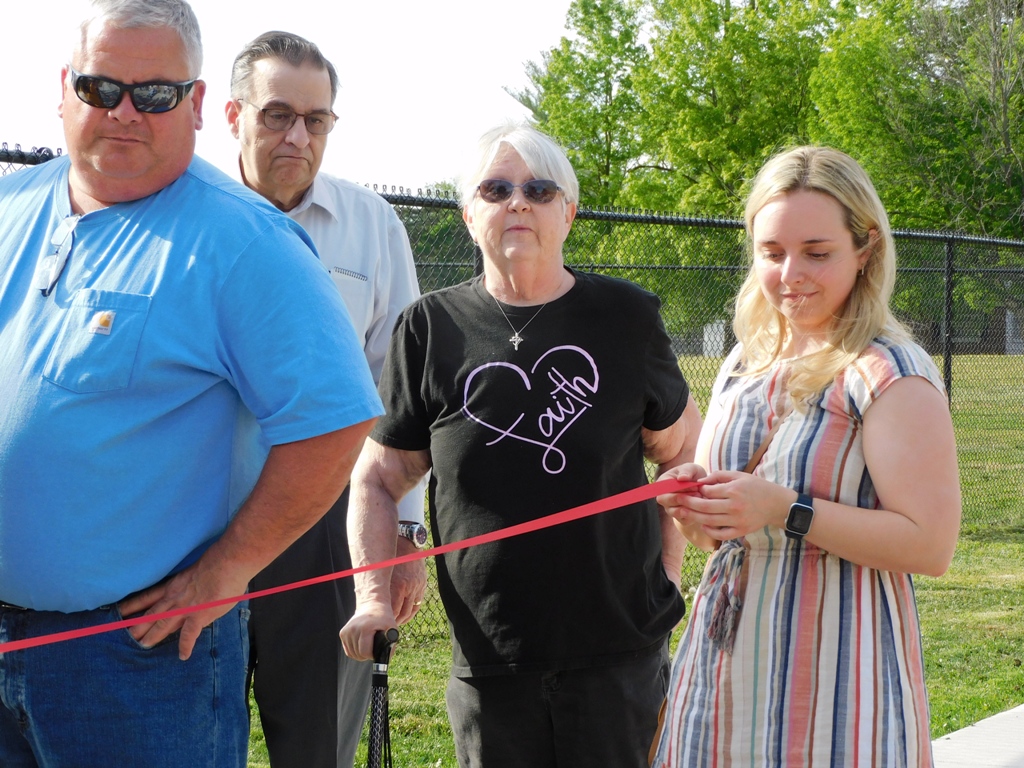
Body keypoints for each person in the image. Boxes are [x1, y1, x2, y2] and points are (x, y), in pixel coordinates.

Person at [0, 2, 382, 767]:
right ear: (64, 88)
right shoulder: (14, 205)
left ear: (198, 103)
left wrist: (227, 568)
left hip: (135, 663)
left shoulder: (245, 241)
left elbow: (335, 419)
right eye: (101, 88)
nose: (125, 112)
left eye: (155, 94)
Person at [340, 121, 704, 768]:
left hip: (618, 656)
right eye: (496, 189)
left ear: (568, 212)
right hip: (490, 662)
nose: (518, 203)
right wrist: (372, 597)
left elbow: (681, 454)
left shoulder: (625, 318)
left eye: (539, 190)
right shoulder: (430, 327)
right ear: (468, 214)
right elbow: (377, 477)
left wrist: (669, 576)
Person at [650, 146, 962, 767]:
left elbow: (931, 545)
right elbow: (715, 539)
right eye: (772, 253)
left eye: (817, 253)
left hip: (837, 674)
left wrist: (783, 508)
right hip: (723, 672)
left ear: (865, 248)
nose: (791, 274)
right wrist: (696, 504)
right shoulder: (745, 362)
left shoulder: (889, 372)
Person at [224, 31, 426, 768]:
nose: (297, 137)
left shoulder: (371, 227)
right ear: (233, 116)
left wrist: (404, 532)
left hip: (323, 522)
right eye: (277, 115)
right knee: (183, 735)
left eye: (316, 120)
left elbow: (398, 395)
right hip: (195, 521)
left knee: (318, 746)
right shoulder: (184, 218)